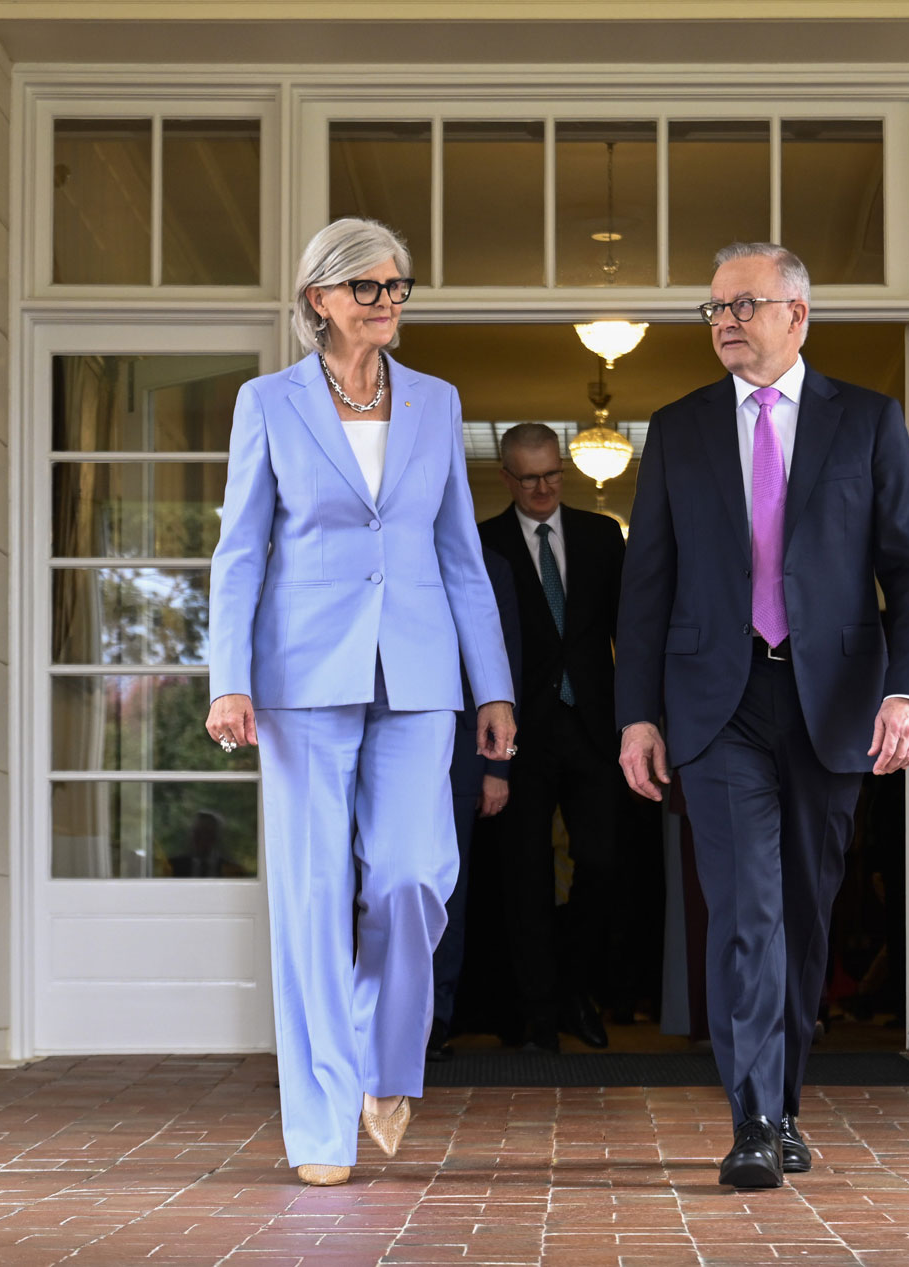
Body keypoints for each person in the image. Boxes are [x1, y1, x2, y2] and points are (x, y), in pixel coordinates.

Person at [615, 242, 909, 1189]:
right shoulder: (678, 430)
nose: (724, 320)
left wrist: (907, 691)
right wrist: (638, 714)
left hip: (832, 701)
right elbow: (648, 587)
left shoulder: (869, 422)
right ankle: (752, 1117)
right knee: (746, 913)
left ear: (797, 314)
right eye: (713, 308)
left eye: (743, 304)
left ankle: (786, 1101)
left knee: (803, 913)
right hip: (717, 708)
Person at [204, 217, 516, 1188]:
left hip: (420, 677)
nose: (388, 303)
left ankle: (389, 1063)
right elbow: (239, 549)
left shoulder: (437, 401)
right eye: (370, 288)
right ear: (320, 300)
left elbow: (461, 557)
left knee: (415, 877)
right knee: (307, 900)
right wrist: (228, 676)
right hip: (300, 677)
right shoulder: (268, 403)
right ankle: (319, 1125)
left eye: (398, 287)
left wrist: (493, 686)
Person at [479, 424, 627, 1052]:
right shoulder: (482, 543)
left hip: (595, 725)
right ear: (507, 478)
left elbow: (631, 630)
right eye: (529, 478)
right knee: (525, 874)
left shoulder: (601, 536)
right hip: (520, 731)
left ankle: (575, 990)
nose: (543, 489)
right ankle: (538, 1012)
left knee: (602, 862)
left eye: (552, 475)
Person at [427, 547, 520, 1063]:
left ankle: (433, 1022)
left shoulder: (488, 562)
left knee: (449, 890)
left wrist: (498, 767)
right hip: (371, 733)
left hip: (465, 750)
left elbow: (506, 663)